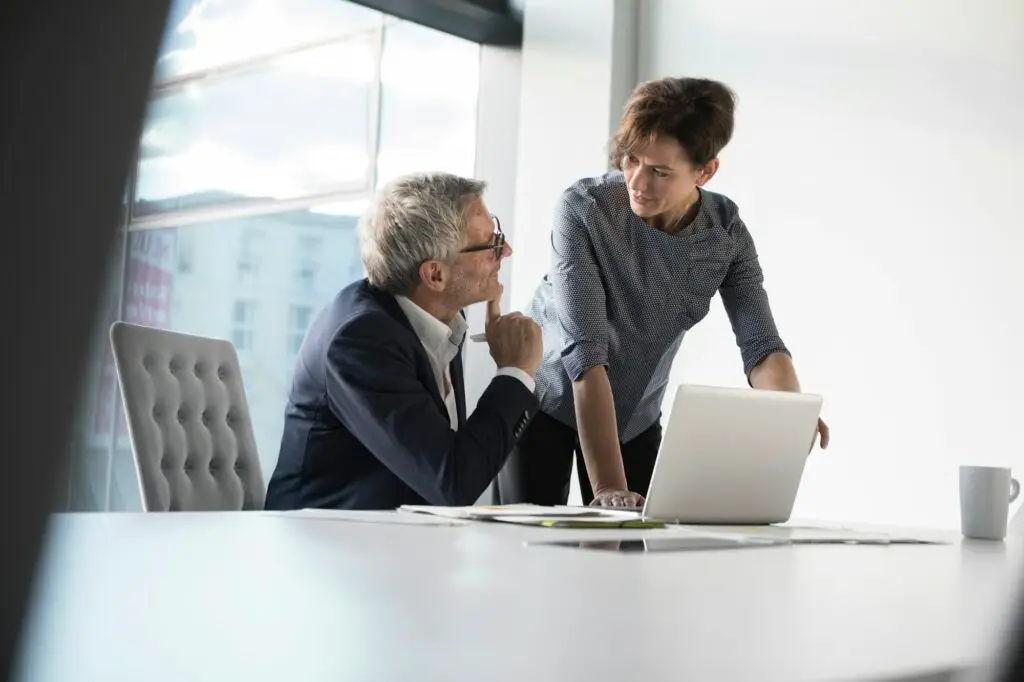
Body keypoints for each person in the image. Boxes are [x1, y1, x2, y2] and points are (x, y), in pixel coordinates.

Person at [494, 76, 830, 509]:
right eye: (631, 160)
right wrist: (609, 488)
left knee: (639, 556)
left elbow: (761, 344)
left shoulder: (725, 236)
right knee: (533, 554)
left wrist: (790, 414)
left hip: (635, 414)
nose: (637, 180)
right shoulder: (583, 210)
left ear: (705, 171)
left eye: (660, 172)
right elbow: (585, 354)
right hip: (547, 399)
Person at [265, 172, 542, 511]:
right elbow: (454, 481)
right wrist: (515, 373)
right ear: (435, 275)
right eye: (491, 245)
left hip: (400, 540)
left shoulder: (443, 316)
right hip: (325, 547)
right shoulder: (360, 342)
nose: (506, 251)